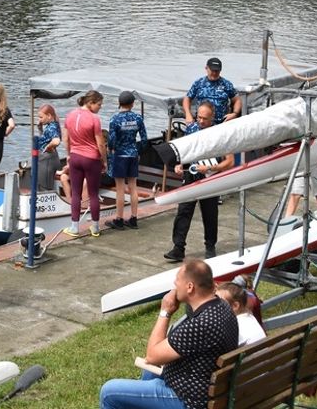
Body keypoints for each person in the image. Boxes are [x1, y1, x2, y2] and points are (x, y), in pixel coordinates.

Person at [99, 258, 239, 409]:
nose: (174, 284)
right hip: (210, 390)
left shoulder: (201, 325)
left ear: (190, 287)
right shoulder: (223, 307)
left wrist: (165, 311)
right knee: (149, 373)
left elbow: (152, 357)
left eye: (177, 280)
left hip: (189, 401)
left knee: (109, 392)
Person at [165, 101, 234, 261]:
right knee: (183, 211)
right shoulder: (192, 128)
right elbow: (184, 150)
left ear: (212, 118)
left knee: (210, 213)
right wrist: (179, 164)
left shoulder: (221, 133)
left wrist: (212, 168)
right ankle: (178, 247)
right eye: (199, 117)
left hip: (210, 176)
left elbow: (230, 162)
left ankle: (210, 247)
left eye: (205, 119)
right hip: (191, 174)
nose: (201, 121)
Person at [63, 90, 108, 237]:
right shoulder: (94, 119)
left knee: (76, 193)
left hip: (75, 157)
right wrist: (104, 160)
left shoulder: (69, 115)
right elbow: (100, 143)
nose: (100, 107)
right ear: (90, 103)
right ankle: (95, 227)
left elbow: (66, 139)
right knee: (93, 194)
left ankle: (74, 227)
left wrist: (68, 155)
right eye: (99, 104)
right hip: (91, 158)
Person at [107, 90, 148, 229]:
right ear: (132, 104)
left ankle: (119, 219)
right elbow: (144, 139)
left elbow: (112, 139)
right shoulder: (138, 118)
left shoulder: (115, 119)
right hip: (133, 154)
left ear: (119, 103)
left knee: (120, 188)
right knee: (133, 186)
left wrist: (111, 149)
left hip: (120, 155)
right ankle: (134, 218)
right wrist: (139, 151)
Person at [182, 57, 241, 125]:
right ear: (206, 68)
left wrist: (234, 114)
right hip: (202, 122)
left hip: (221, 123)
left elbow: (237, 100)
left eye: (217, 71)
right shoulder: (198, 83)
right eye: (212, 70)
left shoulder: (226, 84)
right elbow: (187, 98)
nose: (214, 73)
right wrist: (188, 114)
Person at [216, 282, 266, 346]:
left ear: (235, 306)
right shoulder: (249, 317)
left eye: (219, 302)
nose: (215, 306)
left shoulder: (233, 325)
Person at [34, 103, 62, 191]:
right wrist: (40, 129)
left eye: (41, 117)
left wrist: (48, 147)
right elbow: (46, 139)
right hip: (48, 158)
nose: (40, 120)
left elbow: (56, 141)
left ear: (49, 116)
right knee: (43, 183)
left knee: (44, 186)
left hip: (47, 160)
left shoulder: (52, 128)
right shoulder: (52, 125)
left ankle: (46, 204)